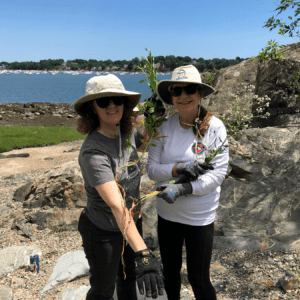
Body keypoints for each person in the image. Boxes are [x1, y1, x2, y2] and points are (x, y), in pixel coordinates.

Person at [74, 74, 164, 300]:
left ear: (125, 104)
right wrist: (143, 253)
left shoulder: (125, 134)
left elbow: (142, 144)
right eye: (104, 101)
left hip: (131, 222)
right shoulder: (93, 151)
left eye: (116, 99)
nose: (112, 105)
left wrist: (153, 119)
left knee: (129, 280)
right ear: (93, 108)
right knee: (103, 290)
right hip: (103, 230)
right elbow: (116, 205)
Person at [147, 65, 229, 300]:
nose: (183, 96)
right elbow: (152, 170)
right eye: (176, 90)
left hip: (199, 218)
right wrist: (178, 168)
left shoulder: (215, 128)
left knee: (198, 278)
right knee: (170, 275)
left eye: (189, 89)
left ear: (200, 93)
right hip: (168, 215)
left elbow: (217, 175)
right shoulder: (162, 127)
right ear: (170, 96)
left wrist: (183, 188)